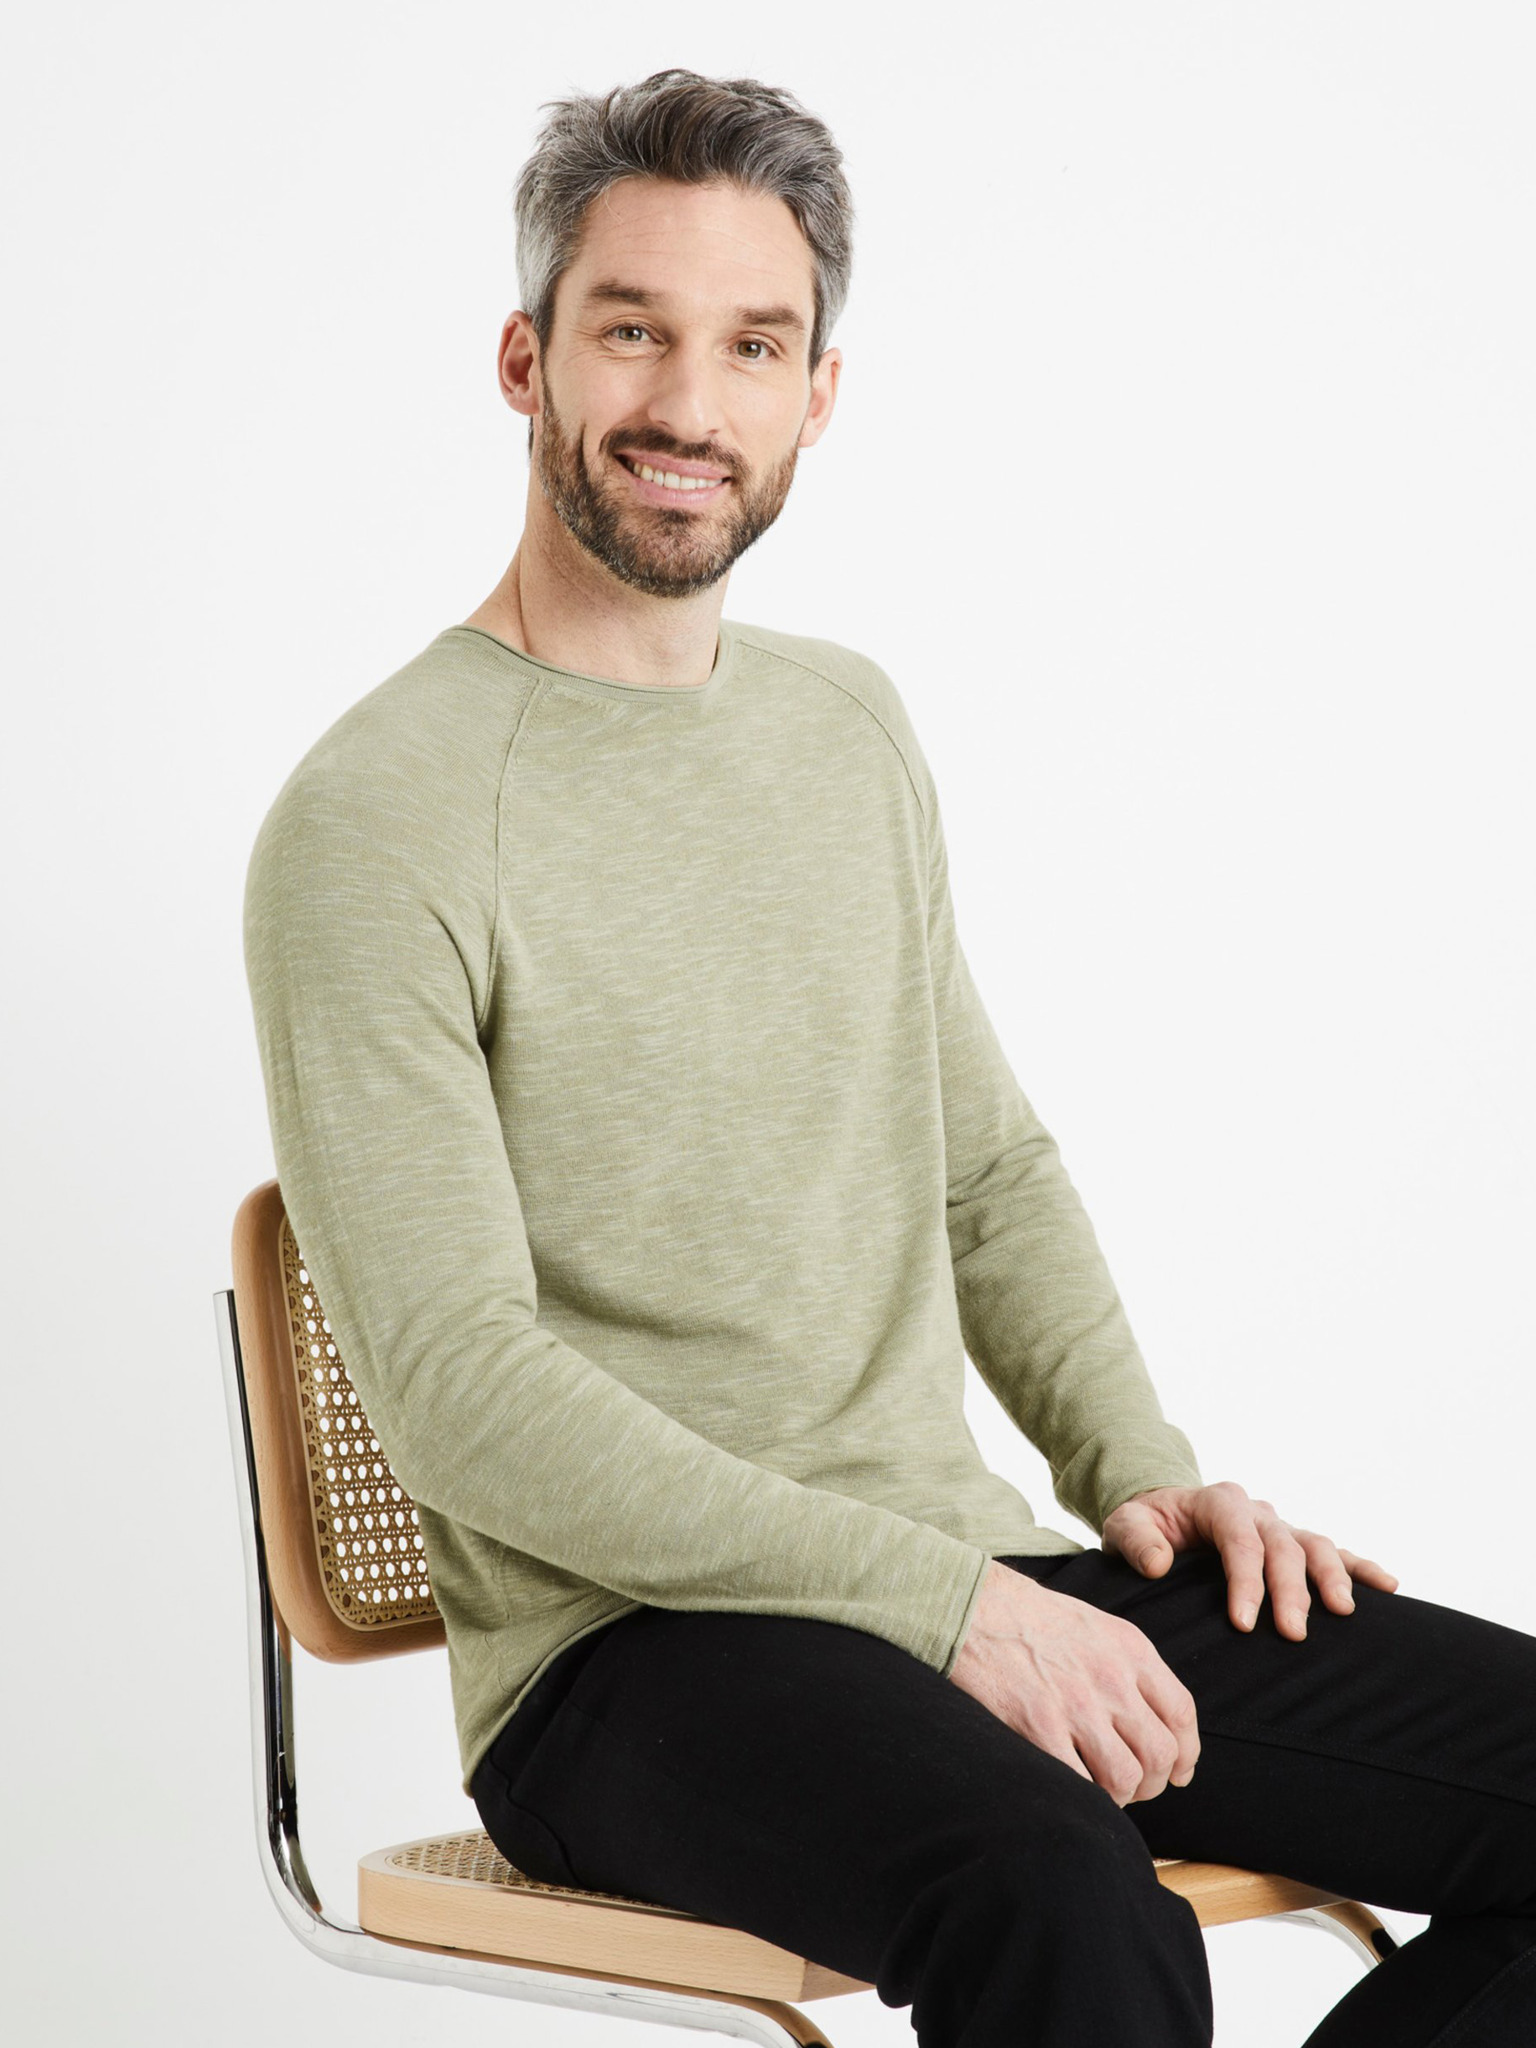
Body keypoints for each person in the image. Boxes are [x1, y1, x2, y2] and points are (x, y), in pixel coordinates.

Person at [242, 66, 1536, 2048]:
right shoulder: (376, 819)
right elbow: (464, 1398)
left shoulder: (845, 731)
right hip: (624, 1654)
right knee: (1058, 1894)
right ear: (525, 361)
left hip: (968, 1564)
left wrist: (1139, 1477)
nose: (691, 403)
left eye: (753, 345)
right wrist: (946, 1605)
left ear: (817, 395)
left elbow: (983, 1171)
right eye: (633, 331)